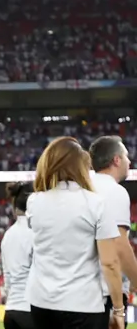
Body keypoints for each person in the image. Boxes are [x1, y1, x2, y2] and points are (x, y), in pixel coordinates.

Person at [24, 136, 124, 329]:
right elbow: (110, 262)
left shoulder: (34, 202)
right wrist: (118, 309)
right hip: (83, 304)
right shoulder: (96, 204)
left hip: (42, 303)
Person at [89, 135, 136, 329]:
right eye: (126, 156)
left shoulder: (84, 186)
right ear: (116, 160)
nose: (129, 161)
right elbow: (119, 246)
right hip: (105, 293)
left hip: (77, 295)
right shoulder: (114, 191)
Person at [0, 182, 34, 329]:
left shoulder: (8, 235)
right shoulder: (36, 231)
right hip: (31, 310)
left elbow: (7, 277)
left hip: (11, 309)